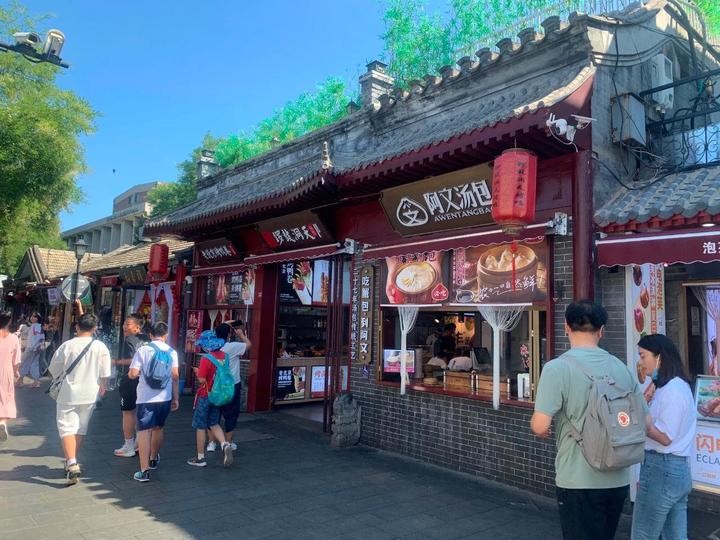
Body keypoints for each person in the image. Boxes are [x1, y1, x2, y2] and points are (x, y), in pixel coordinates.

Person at [531, 300, 646, 540]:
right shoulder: (621, 367)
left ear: (566, 327)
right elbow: (645, 419)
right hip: (618, 476)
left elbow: (540, 425)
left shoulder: (556, 368)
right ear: (601, 330)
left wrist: (542, 430)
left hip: (577, 478)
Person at [631, 334, 696, 540]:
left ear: (659, 357)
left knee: (643, 533)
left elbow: (665, 436)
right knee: (675, 535)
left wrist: (640, 421)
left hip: (661, 467)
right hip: (674, 469)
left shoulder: (672, 390)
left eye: (643, 356)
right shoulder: (674, 386)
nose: (641, 363)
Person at [48, 313, 111, 485]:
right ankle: (72, 460)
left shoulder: (67, 345)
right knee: (80, 428)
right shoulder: (100, 347)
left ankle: (71, 462)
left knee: (66, 428)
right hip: (90, 393)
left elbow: (54, 369)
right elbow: (105, 373)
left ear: (77, 327)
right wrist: (103, 386)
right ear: (95, 328)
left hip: (68, 393)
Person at [127, 322, 179, 482]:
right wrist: (176, 397)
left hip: (146, 397)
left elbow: (133, 373)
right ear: (166, 335)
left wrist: (138, 373)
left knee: (144, 431)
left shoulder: (143, 350)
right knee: (158, 428)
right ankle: (153, 459)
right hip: (165, 397)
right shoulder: (172, 352)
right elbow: (175, 376)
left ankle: (144, 471)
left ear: (150, 335)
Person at [187, 330, 233, 468]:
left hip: (206, 395)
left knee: (200, 425)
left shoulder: (206, 358)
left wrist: (197, 372)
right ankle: (225, 445)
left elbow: (202, 380)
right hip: (219, 395)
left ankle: (200, 458)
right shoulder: (225, 356)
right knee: (214, 422)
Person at [206, 323, 251, 453]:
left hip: (215, 385)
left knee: (213, 414)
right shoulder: (233, 346)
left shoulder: (212, 347)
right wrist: (241, 335)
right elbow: (249, 345)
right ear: (229, 334)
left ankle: (211, 443)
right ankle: (228, 443)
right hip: (232, 385)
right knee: (231, 414)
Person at [113, 314, 149, 457]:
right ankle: (139, 444)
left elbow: (133, 360)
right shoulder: (147, 339)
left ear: (137, 327)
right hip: (146, 380)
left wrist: (116, 362)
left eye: (128, 324)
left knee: (128, 412)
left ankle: (128, 446)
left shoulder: (129, 339)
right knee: (141, 411)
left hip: (130, 379)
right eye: (124, 324)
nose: (124, 327)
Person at [0, 312, 22, 441]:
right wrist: (16, 372)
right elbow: (16, 360)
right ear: (9, 322)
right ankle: (2, 422)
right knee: (6, 398)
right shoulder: (13, 338)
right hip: (6, 372)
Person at [18, 313, 44, 388]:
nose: (32, 318)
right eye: (32, 316)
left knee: (24, 363)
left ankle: (20, 381)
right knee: (33, 364)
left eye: (35, 317)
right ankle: (36, 382)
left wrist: (33, 348)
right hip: (34, 348)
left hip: (32, 348)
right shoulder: (35, 325)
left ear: (38, 318)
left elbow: (39, 338)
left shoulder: (36, 326)